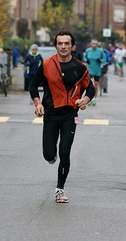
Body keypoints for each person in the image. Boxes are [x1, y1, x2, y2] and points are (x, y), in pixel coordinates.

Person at [29, 30, 95, 203]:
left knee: (65, 152)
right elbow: (33, 85)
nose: (63, 46)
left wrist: (85, 100)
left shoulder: (81, 67)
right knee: (49, 154)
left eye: (67, 43)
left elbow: (91, 88)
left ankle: (60, 189)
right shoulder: (46, 64)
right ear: (56, 45)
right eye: (60, 43)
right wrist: (38, 103)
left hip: (70, 114)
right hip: (50, 113)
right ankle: (51, 156)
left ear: (72, 46)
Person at [83, 39, 106, 105]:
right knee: (90, 85)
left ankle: (94, 98)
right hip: (90, 69)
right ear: (91, 44)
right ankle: (90, 98)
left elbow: (104, 59)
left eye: (96, 44)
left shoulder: (100, 51)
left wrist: (100, 60)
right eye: (93, 44)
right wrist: (86, 60)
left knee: (96, 85)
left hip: (97, 70)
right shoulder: (88, 50)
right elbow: (84, 57)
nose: (94, 45)